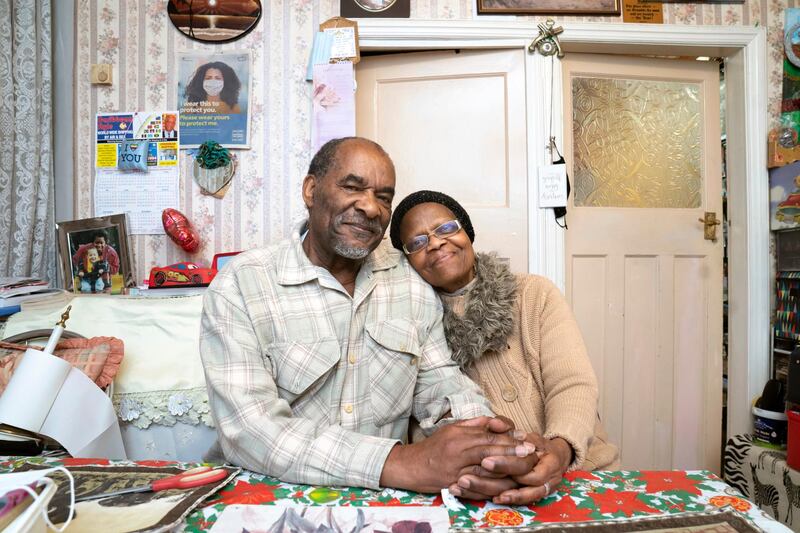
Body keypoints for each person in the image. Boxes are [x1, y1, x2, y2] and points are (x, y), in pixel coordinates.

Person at [200, 137, 541, 496]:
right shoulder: (243, 283)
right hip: (266, 497)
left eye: (384, 197)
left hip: (382, 501)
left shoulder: (409, 282)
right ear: (311, 190)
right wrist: (402, 462)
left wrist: (485, 445)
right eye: (353, 187)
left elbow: (442, 384)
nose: (371, 207)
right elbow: (249, 429)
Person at [390, 190, 620, 505]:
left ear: (466, 233)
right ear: (406, 260)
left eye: (446, 229)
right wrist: (480, 467)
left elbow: (572, 383)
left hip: (577, 470)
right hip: (481, 487)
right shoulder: (410, 327)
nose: (435, 243)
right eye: (417, 242)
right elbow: (419, 422)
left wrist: (560, 448)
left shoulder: (534, 294)